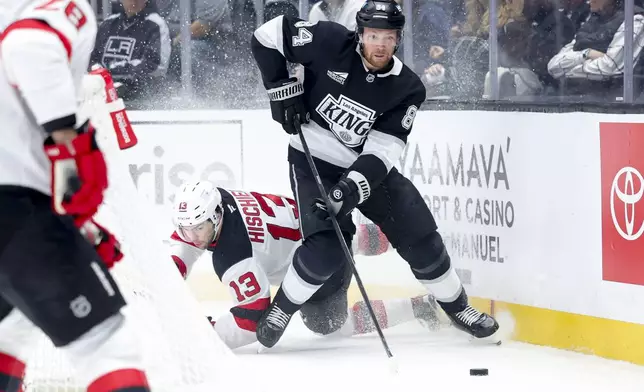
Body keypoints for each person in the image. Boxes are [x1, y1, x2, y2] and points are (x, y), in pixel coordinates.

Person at [250, 0, 500, 348]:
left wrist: (347, 191)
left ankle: (458, 308)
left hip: (365, 170)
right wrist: (280, 88)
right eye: (372, 35)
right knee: (327, 249)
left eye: (388, 37)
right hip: (313, 163)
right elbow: (265, 36)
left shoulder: (408, 88)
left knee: (420, 233)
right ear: (360, 33)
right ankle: (282, 309)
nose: (379, 44)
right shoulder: (327, 41)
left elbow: (382, 151)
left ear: (398, 39)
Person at [0, 1, 150, 390]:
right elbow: (28, 44)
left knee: (11, 328)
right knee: (107, 345)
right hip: (13, 205)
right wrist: (68, 138)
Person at [168, 180, 442, 349]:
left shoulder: (233, 257)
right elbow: (187, 239)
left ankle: (419, 307)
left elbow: (250, 321)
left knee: (329, 325)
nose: (191, 237)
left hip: (315, 265)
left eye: (198, 229)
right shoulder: (218, 196)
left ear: (215, 217)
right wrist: (166, 274)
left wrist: (205, 334)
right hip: (313, 222)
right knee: (350, 237)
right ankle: (413, 233)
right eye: (185, 229)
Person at [89, 0, 171, 100]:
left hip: (140, 95)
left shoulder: (155, 24)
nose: (134, 1)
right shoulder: (108, 24)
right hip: (102, 89)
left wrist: (122, 77)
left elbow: (155, 65)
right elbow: (93, 60)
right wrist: (104, 77)